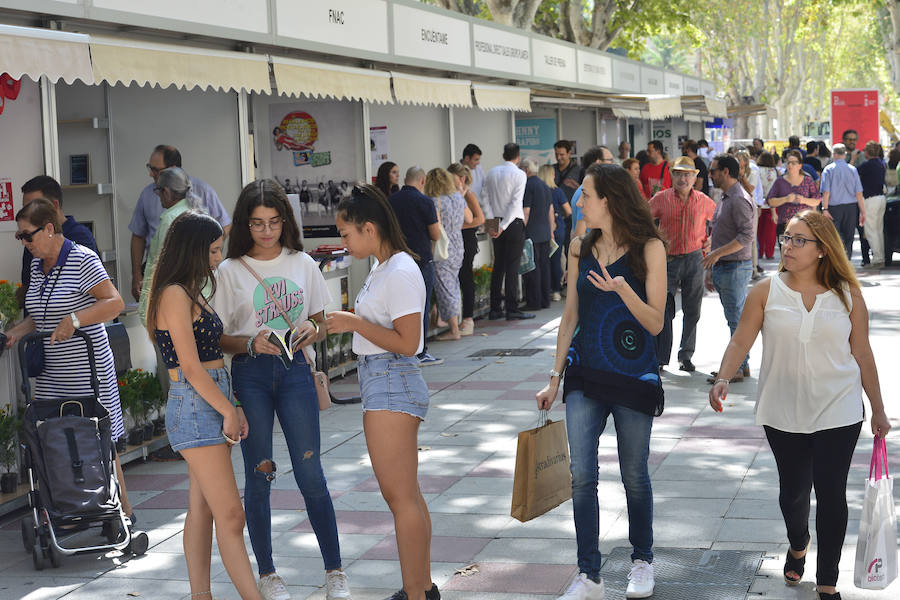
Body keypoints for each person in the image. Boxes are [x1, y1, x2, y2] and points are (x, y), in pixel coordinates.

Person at [709, 210, 891, 600]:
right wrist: (723, 376)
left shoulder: (848, 296)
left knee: (831, 494)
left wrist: (877, 408)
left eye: (798, 240)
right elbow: (741, 340)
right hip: (782, 410)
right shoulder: (765, 290)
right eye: (786, 239)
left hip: (839, 409)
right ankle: (798, 542)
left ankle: (828, 582)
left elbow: (862, 353)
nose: (786, 246)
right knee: (793, 493)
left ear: (823, 250)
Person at [211, 180, 351, 600]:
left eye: (273, 222)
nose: (267, 231)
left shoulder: (303, 263)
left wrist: (313, 328)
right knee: (260, 476)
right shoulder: (228, 271)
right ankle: (268, 574)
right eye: (257, 224)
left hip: (295, 372)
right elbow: (218, 338)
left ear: (285, 222)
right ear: (244, 226)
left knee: (311, 474)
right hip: (250, 374)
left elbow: (324, 322)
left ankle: (335, 572)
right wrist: (250, 342)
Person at [537, 163, 666, 600]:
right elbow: (570, 314)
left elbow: (654, 322)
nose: (579, 202)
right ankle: (589, 574)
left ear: (608, 200)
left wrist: (622, 290)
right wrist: (554, 377)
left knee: (634, 473)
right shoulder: (579, 245)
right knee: (580, 475)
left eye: (586, 195)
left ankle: (642, 561)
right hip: (585, 372)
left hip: (633, 375)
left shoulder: (649, 248)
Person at [327, 185, 438, 600]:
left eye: (345, 233)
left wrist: (354, 324)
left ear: (369, 228)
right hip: (384, 378)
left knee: (400, 498)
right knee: (407, 495)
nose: (343, 241)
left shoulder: (400, 270)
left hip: (391, 379)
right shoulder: (386, 267)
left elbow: (409, 342)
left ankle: (416, 592)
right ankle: (421, 588)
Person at [145, 210, 262, 600]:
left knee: (204, 511)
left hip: (209, 398)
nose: (217, 258)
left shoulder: (187, 290)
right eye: (213, 250)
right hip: (196, 403)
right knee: (231, 515)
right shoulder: (175, 293)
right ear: (193, 249)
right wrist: (228, 409)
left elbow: (210, 361)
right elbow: (191, 368)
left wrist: (232, 404)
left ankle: (201, 596)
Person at [5, 198, 134, 523]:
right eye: (19, 237)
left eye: (27, 235)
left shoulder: (82, 259)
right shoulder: (37, 265)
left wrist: (75, 319)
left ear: (49, 228)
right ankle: (61, 507)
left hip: (86, 367)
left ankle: (122, 511)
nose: (24, 243)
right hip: (51, 371)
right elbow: (41, 315)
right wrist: (15, 333)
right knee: (50, 434)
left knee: (99, 435)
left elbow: (114, 302)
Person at [130, 144, 231, 302]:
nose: (151, 173)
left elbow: (225, 225)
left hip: (182, 281)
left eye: (156, 169)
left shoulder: (200, 193)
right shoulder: (147, 195)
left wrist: (207, 253)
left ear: (173, 169)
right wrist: (136, 274)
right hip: (175, 280)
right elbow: (138, 236)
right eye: (150, 167)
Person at [650, 156, 716, 373]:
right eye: (679, 174)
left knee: (692, 309)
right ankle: (660, 355)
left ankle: (686, 355)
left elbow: (718, 221)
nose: (683, 178)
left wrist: (711, 240)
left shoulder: (704, 201)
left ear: (695, 177)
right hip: (667, 260)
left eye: (688, 174)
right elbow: (643, 220)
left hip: (694, 258)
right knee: (662, 308)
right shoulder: (661, 199)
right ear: (672, 175)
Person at [702, 154, 756, 382]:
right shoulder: (726, 196)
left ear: (725, 172)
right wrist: (711, 267)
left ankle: (735, 368)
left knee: (736, 321)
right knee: (735, 319)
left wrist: (717, 254)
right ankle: (741, 366)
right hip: (724, 267)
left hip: (735, 267)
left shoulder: (739, 199)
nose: (710, 175)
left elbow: (747, 236)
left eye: (713, 170)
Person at [388, 167, 442, 365]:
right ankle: (420, 351)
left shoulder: (391, 200)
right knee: (421, 305)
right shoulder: (425, 201)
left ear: (405, 179)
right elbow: (436, 234)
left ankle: (401, 348)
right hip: (421, 260)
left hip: (395, 260)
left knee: (398, 307)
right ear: (423, 180)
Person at [19, 176, 98, 295]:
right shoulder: (30, 240)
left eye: (33, 208)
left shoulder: (80, 238)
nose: (27, 214)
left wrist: (71, 315)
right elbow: (28, 286)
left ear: (54, 205)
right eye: (25, 208)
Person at [481, 143, 533, 321]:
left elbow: (484, 198)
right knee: (512, 266)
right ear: (518, 157)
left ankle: (495, 308)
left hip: (494, 220)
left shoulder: (491, 172)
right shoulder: (519, 174)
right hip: (513, 222)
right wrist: (503, 225)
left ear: (504, 155)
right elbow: (515, 203)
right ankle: (512, 308)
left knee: (498, 266)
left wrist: (492, 224)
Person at [424, 168, 471, 341]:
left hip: (442, 249)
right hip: (458, 245)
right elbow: (469, 218)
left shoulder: (435, 201)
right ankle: (453, 324)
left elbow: (434, 227)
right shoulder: (458, 198)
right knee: (453, 284)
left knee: (445, 288)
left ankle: (454, 330)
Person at [448, 162, 485, 335]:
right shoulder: (452, 194)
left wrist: (456, 227)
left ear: (461, 178)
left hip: (467, 240)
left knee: (465, 277)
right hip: (456, 240)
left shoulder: (468, 194)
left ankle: (468, 319)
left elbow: (480, 218)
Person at [767, 150, 821, 253]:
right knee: (786, 254)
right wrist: (786, 199)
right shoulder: (780, 181)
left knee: (803, 254)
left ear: (800, 165)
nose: (790, 165)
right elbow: (771, 201)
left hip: (804, 224)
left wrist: (804, 200)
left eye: (793, 163)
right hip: (785, 224)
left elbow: (817, 200)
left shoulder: (807, 180)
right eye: (788, 162)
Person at [820, 144, 866, 260]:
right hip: (851, 207)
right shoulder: (853, 169)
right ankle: (847, 262)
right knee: (849, 237)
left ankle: (837, 262)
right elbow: (859, 193)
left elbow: (826, 192)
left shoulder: (828, 169)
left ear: (834, 154)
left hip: (833, 207)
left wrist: (824, 209)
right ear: (845, 154)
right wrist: (863, 212)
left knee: (835, 237)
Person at [520, 158, 554, 310]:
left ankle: (534, 302)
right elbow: (550, 211)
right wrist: (551, 231)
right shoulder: (545, 186)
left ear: (526, 170)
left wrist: (520, 230)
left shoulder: (527, 186)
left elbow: (526, 212)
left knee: (532, 268)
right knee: (545, 267)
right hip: (545, 232)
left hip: (531, 234)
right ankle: (545, 300)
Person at [539, 164, 570, 302]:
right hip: (558, 228)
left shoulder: (538, 191)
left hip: (541, 228)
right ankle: (556, 290)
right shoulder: (557, 192)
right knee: (556, 259)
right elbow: (569, 211)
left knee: (542, 261)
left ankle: (544, 290)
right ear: (552, 175)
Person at [570, 146, 616, 237]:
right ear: (598, 162)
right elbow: (579, 233)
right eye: (610, 160)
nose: (613, 164)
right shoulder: (585, 193)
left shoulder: (589, 189)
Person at [857, 141, 887, 268]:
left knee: (870, 230)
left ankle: (878, 259)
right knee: (878, 230)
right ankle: (880, 257)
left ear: (867, 152)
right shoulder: (881, 163)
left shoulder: (866, 165)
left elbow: (854, 173)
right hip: (881, 198)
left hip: (871, 199)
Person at [756, 152, 780, 260]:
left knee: (759, 231)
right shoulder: (773, 172)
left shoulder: (756, 170)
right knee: (770, 233)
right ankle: (769, 253)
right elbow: (773, 189)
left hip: (759, 204)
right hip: (771, 205)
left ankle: (759, 252)